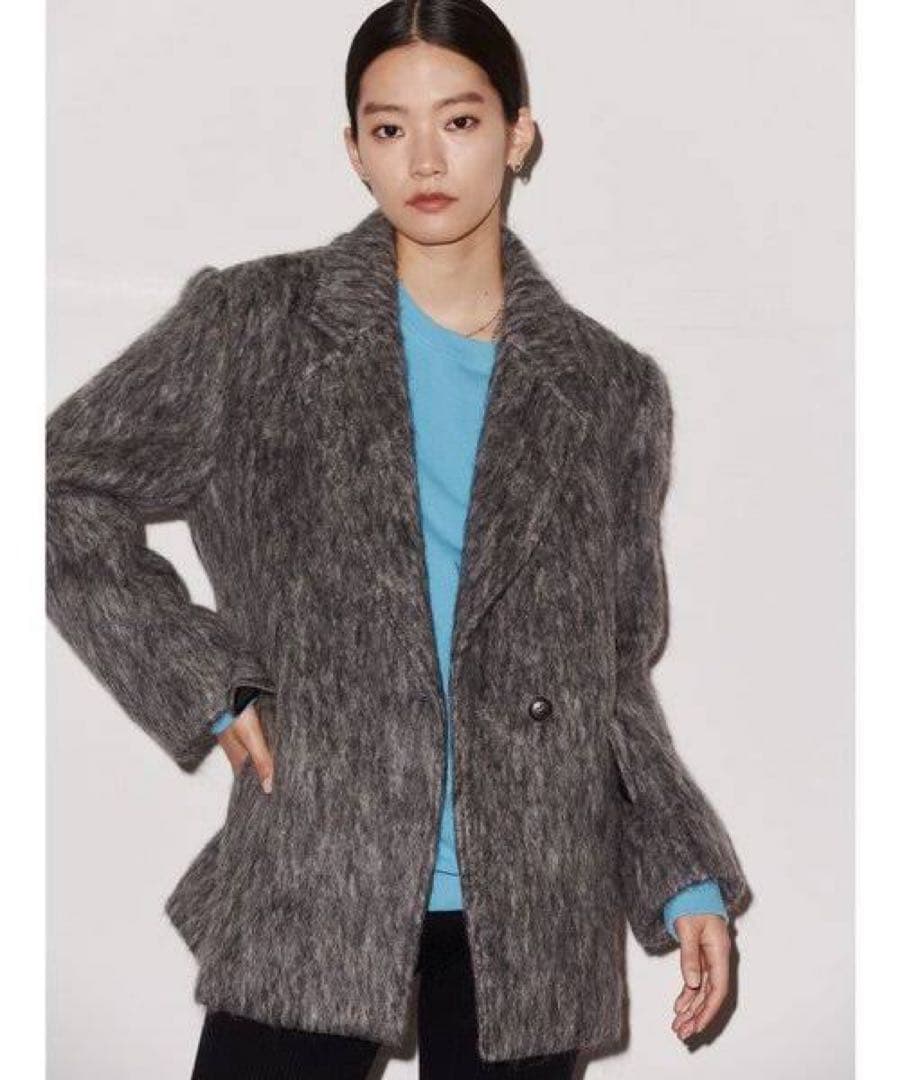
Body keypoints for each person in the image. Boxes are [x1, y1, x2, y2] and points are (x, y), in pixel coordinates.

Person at [46, 2, 750, 1077]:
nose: (424, 159)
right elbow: (56, 486)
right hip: (318, 862)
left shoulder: (609, 389)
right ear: (354, 149)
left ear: (518, 134)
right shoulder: (255, 327)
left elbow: (613, 672)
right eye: (389, 128)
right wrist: (207, 683)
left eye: (459, 121)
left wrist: (681, 874)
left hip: (536, 896)